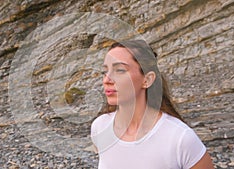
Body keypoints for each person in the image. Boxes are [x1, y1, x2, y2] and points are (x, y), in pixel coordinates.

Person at [91, 40, 214, 169]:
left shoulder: (180, 138)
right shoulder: (99, 127)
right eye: (104, 72)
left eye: (120, 70)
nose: (106, 80)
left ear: (147, 79)